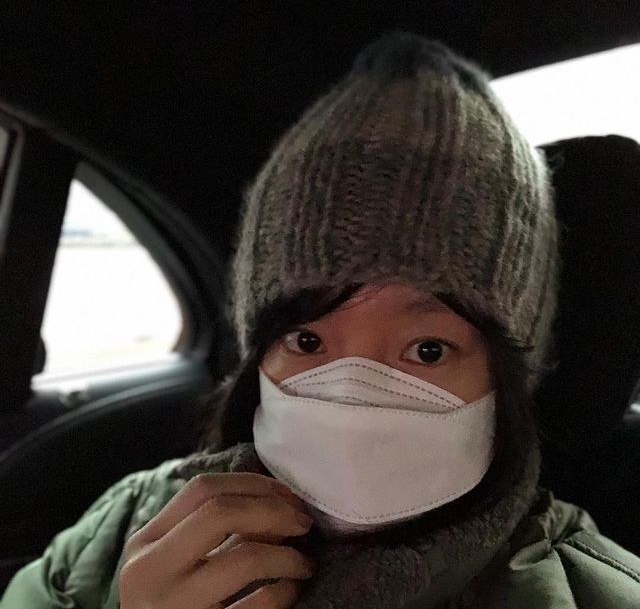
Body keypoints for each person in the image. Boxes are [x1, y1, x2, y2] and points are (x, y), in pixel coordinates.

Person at [3, 31, 640, 609]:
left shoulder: (589, 591)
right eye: (307, 339)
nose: (352, 398)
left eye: (427, 350)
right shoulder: (123, 532)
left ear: (509, 378)